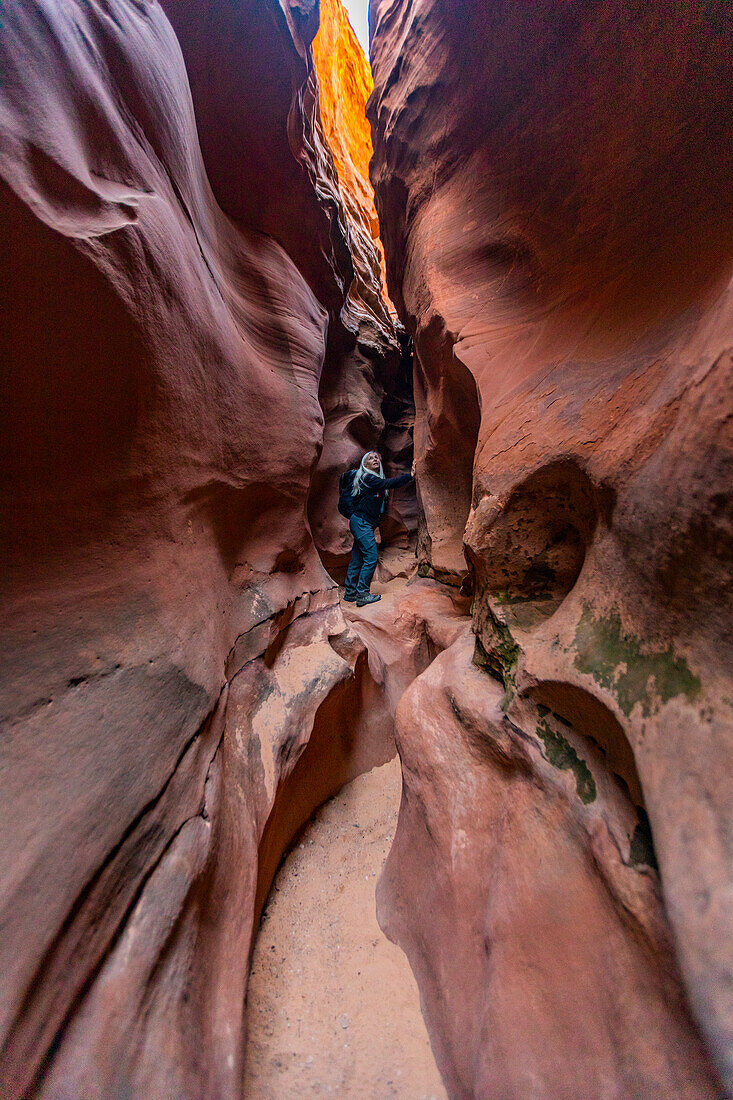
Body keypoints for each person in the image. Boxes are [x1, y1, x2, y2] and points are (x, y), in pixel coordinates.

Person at [343, 451, 414, 606]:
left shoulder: (369, 481)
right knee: (371, 557)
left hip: (360, 522)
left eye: (376, 457)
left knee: (357, 558)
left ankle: (350, 593)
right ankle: (362, 594)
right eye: (370, 458)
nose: (375, 459)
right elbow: (388, 484)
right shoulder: (368, 478)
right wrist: (411, 475)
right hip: (361, 523)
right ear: (364, 464)